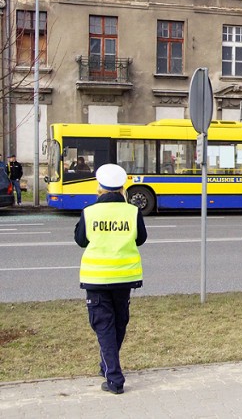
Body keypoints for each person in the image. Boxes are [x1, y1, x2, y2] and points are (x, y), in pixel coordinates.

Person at [74, 164, 147, 395]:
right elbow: (141, 239)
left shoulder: (90, 212)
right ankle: (107, 366)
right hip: (124, 277)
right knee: (118, 324)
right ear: (122, 187)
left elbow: (81, 240)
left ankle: (114, 378)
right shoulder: (132, 212)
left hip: (97, 278)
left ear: (100, 187)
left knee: (104, 326)